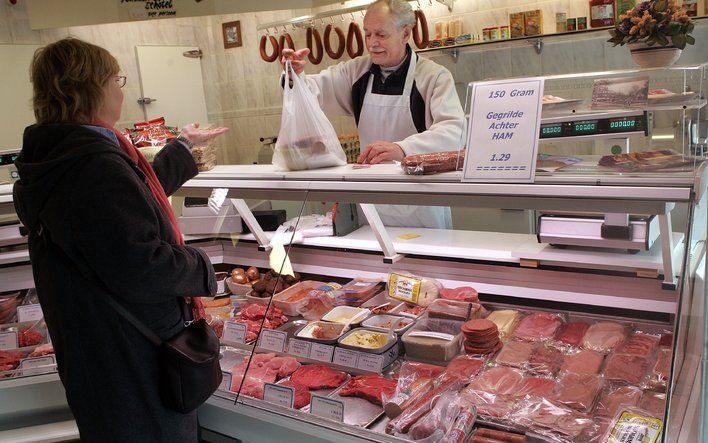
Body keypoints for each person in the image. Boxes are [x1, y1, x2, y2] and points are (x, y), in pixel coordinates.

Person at [12, 37, 228, 442]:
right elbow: (140, 265)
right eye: (116, 78)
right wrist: (202, 266)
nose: (121, 90)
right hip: (132, 361)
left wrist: (181, 148)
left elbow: (124, 207)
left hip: (96, 350)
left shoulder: (58, 155)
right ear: (90, 87)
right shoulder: (92, 164)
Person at [281, 0, 465, 229]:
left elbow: (454, 131)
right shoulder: (356, 72)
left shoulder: (434, 77)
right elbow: (315, 90)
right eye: (367, 34)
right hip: (371, 203)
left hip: (421, 204)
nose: (372, 43)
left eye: (380, 34)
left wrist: (402, 149)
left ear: (405, 33)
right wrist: (295, 75)